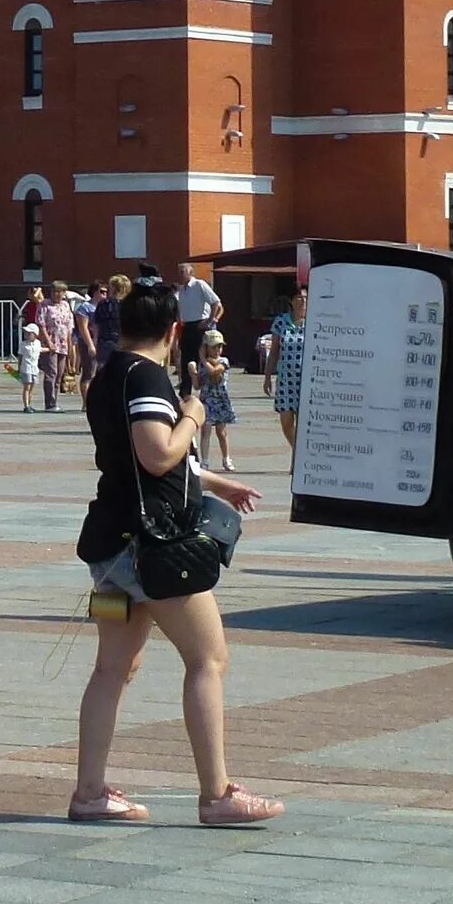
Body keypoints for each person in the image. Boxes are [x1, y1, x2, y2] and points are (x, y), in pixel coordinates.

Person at [72, 277, 281, 827]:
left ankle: (90, 792)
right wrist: (193, 414)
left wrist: (213, 481)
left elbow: (138, 463)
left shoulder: (108, 375)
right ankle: (217, 794)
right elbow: (158, 454)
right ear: (174, 329)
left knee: (113, 668)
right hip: (154, 548)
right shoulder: (145, 376)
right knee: (208, 659)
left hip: (112, 542)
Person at [270, 283, 310, 462]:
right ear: (292, 302)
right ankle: (298, 451)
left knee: (302, 423)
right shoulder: (281, 321)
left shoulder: (314, 322)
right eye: (299, 298)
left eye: (305, 298)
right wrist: (267, 375)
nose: (302, 301)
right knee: (286, 422)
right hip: (286, 379)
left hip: (306, 379)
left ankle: (297, 460)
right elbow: (274, 351)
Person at [171, 265, 223, 400]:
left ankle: (208, 391)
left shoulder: (200, 284)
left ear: (191, 272)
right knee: (186, 359)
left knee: (203, 358)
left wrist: (210, 320)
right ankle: (185, 392)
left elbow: (216, 302)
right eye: (179, 272)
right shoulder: (181, 290)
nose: (180, 275)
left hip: (200, 325)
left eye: (183, 272)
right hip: (187, 326)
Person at [193, 329, 240, 471]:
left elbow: (214, 372)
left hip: (220, 400)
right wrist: (193, 373)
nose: (218, 350)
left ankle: (226, 458)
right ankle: (205, 461)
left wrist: (202, 359)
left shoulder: (224, 361)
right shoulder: (202, 364)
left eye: (220, 346)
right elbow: (197, 385)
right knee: (205, 430)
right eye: (214, 346)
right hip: (207, 400)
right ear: (205, 347)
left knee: (222, 431)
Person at [35, 283, 78, 410]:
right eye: (55, 292)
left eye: (60, 292)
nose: (57, 294)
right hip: (50, 343)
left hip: (63, 344)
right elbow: (41, 325)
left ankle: (55, 400)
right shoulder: (44, 305)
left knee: (59, 374)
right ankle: (49, 402)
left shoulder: (65, 305)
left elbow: (69, 328)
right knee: (51, 372)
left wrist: (70, 348)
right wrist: (49, 343)